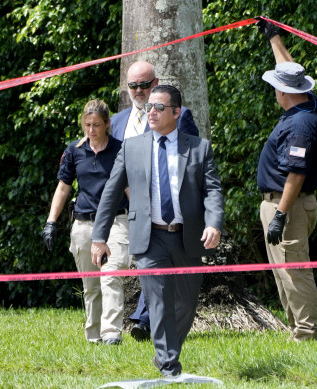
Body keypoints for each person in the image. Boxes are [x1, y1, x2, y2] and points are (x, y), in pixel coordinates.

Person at [91, 85, 223, 377]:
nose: (151, 111)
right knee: (159, 301)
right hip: (149, 238)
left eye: (159, 107)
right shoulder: (133, 146)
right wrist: (99, 238)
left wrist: (213, 223)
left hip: (187, 237)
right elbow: (111, 192)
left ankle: (166, 352)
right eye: (149, 106)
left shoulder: (199, 147)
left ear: (176, 112)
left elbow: (212, 190)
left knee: (187, 305)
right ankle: (169, 366)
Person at [110, 60, 200, 342]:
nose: (139, 91)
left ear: (156, 82)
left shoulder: (180, 116)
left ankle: (145, 321)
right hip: (127, 211)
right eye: (133, 86)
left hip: (165, 211)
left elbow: (191, 158)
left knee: (155, 265)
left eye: (145, 85)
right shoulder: (116, 122)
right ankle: (140, 321)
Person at [256, 19, 317, 342]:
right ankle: (296, 329)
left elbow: (296, 174)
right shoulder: (309, 103)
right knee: (283, 270)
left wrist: (281, 215)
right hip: (281, 204)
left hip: (290, 205)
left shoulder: (301, 124)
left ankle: (305, 334)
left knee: (294, 269)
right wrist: (274, 37)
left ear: (283, 92)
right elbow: (288, 69)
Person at [42, 99, 130, 345]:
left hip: (116, 221)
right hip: (83, 223)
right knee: (91, 285)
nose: (91, 130)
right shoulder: (74, 150)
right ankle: (94, 337)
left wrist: (143, 219)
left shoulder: (120, 149)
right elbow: (63, 188)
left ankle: (112, 333)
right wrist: (51, 222)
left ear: (107, 124)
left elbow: (129, 188)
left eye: (97, 125)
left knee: (111, 273)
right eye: (87, 125)